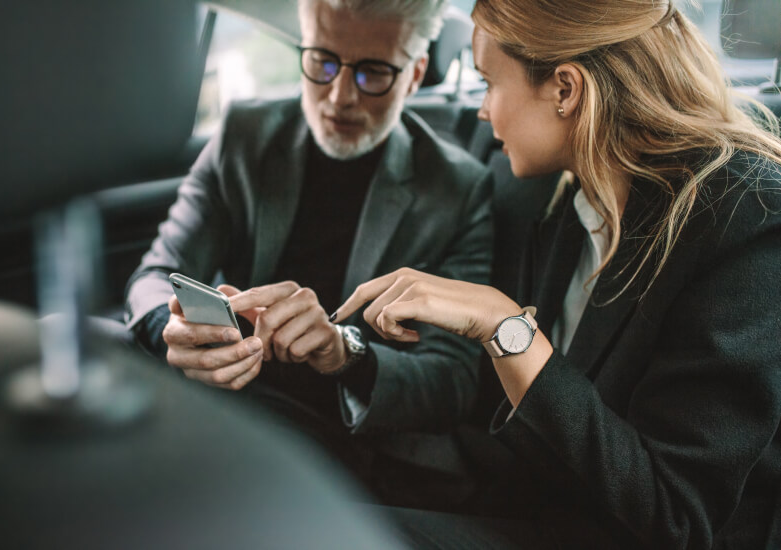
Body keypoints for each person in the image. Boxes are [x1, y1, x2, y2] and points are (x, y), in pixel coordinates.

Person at [333, 0, 781, 547]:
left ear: (565, 89)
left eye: (488, 83)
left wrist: (505, 327)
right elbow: (528, 433)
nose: (481, 111)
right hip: (545, 510)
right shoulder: (569, 202)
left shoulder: (743, 219)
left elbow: (676, 519)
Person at [124, 0, 492, 505]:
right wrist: (170, 333)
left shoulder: (458, 189)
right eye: (321, 61)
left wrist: (344, 353)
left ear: (415, 74)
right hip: (230, 403)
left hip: (354, 443)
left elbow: (452, 381)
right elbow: (154, 276)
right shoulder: (244, 135)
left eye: (373, 73)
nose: (339, 97)